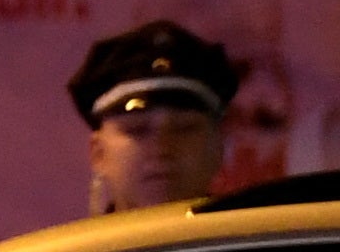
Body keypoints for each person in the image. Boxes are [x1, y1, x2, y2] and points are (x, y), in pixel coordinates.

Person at [71, 19, 237, 214]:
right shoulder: (72, 245)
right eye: (138, 130)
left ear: (217, 149)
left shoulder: (262, 240)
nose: (162, 148)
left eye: (184, 129)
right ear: (99, 154)